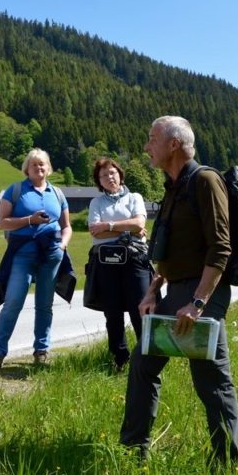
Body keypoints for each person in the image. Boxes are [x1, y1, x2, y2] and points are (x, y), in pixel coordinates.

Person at [120, 116, 238, 468]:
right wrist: (152, 292)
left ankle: (224, 466)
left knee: (211, 382)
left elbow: (220, 248)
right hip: (175, 292)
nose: (147, 146)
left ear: (173, 144)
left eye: (151, 138)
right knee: (142, 365)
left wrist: (199, 303)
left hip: (203, 295)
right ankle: (132, 453)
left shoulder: (205, 181)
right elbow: (169, 249)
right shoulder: (174, 187)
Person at [0, 148, 73, 370]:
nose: (38, 167)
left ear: (48, 168)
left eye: (42, 164)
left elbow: (67, 226)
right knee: (13, 302)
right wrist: (30, 220)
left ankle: (41, 351)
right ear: (27, 168)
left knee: (44, 305)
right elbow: (2, 223)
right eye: (34, 164)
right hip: (22, 253)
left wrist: (62, 245)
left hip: (51, 254)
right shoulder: (15, 191)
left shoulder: (58, 194)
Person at [86, 157, 152, 370]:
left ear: (120, 174)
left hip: (135, 259)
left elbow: (140, 223)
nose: (109, 177)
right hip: (106, 261)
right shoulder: (96, 202)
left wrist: (110, 226)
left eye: (112, 173)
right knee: (112, 312)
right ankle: (120, 359)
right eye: (103, 176)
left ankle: (147, 359)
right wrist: (128, 228)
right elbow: (95, 232)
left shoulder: (135, 197)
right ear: (99, 181)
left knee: (140, 308)